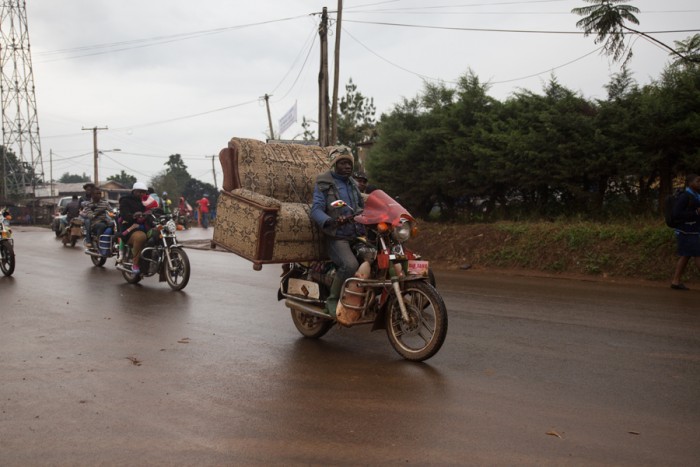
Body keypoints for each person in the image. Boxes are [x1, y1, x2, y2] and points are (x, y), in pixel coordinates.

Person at [310, 146, 365, 316]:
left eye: (349, 163)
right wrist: (330, 220)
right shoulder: (324, 184)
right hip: (337, 237)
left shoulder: (353, 185)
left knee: (379, 258)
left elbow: (362, 205)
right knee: (350, 265)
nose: (347, 166)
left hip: (357, 234)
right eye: (343, 163)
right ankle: (332, 300)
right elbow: (316, 210)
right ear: (335, 165)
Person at [670, 173, 700, 290]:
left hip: (692, 231)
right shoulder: (685, 196)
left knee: (685, 256)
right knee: (698, 255)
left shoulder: (696, 195)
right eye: (698, 181)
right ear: (690, 183)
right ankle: (675, 281)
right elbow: (676, 214)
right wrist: (696, 213)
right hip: (686, 232)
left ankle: (675, 282)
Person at [118, 182, 152, 274]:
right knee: (141, 237)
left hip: (146, 227)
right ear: (134, 192)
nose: (141, 194)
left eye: (143, 192)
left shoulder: (147, 201)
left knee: (158, 234)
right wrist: (133, 215)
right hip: (130, 229)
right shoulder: (125, 200)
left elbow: (155, 209)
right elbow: (124, 215)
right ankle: (135, 263)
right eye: (139, 192)